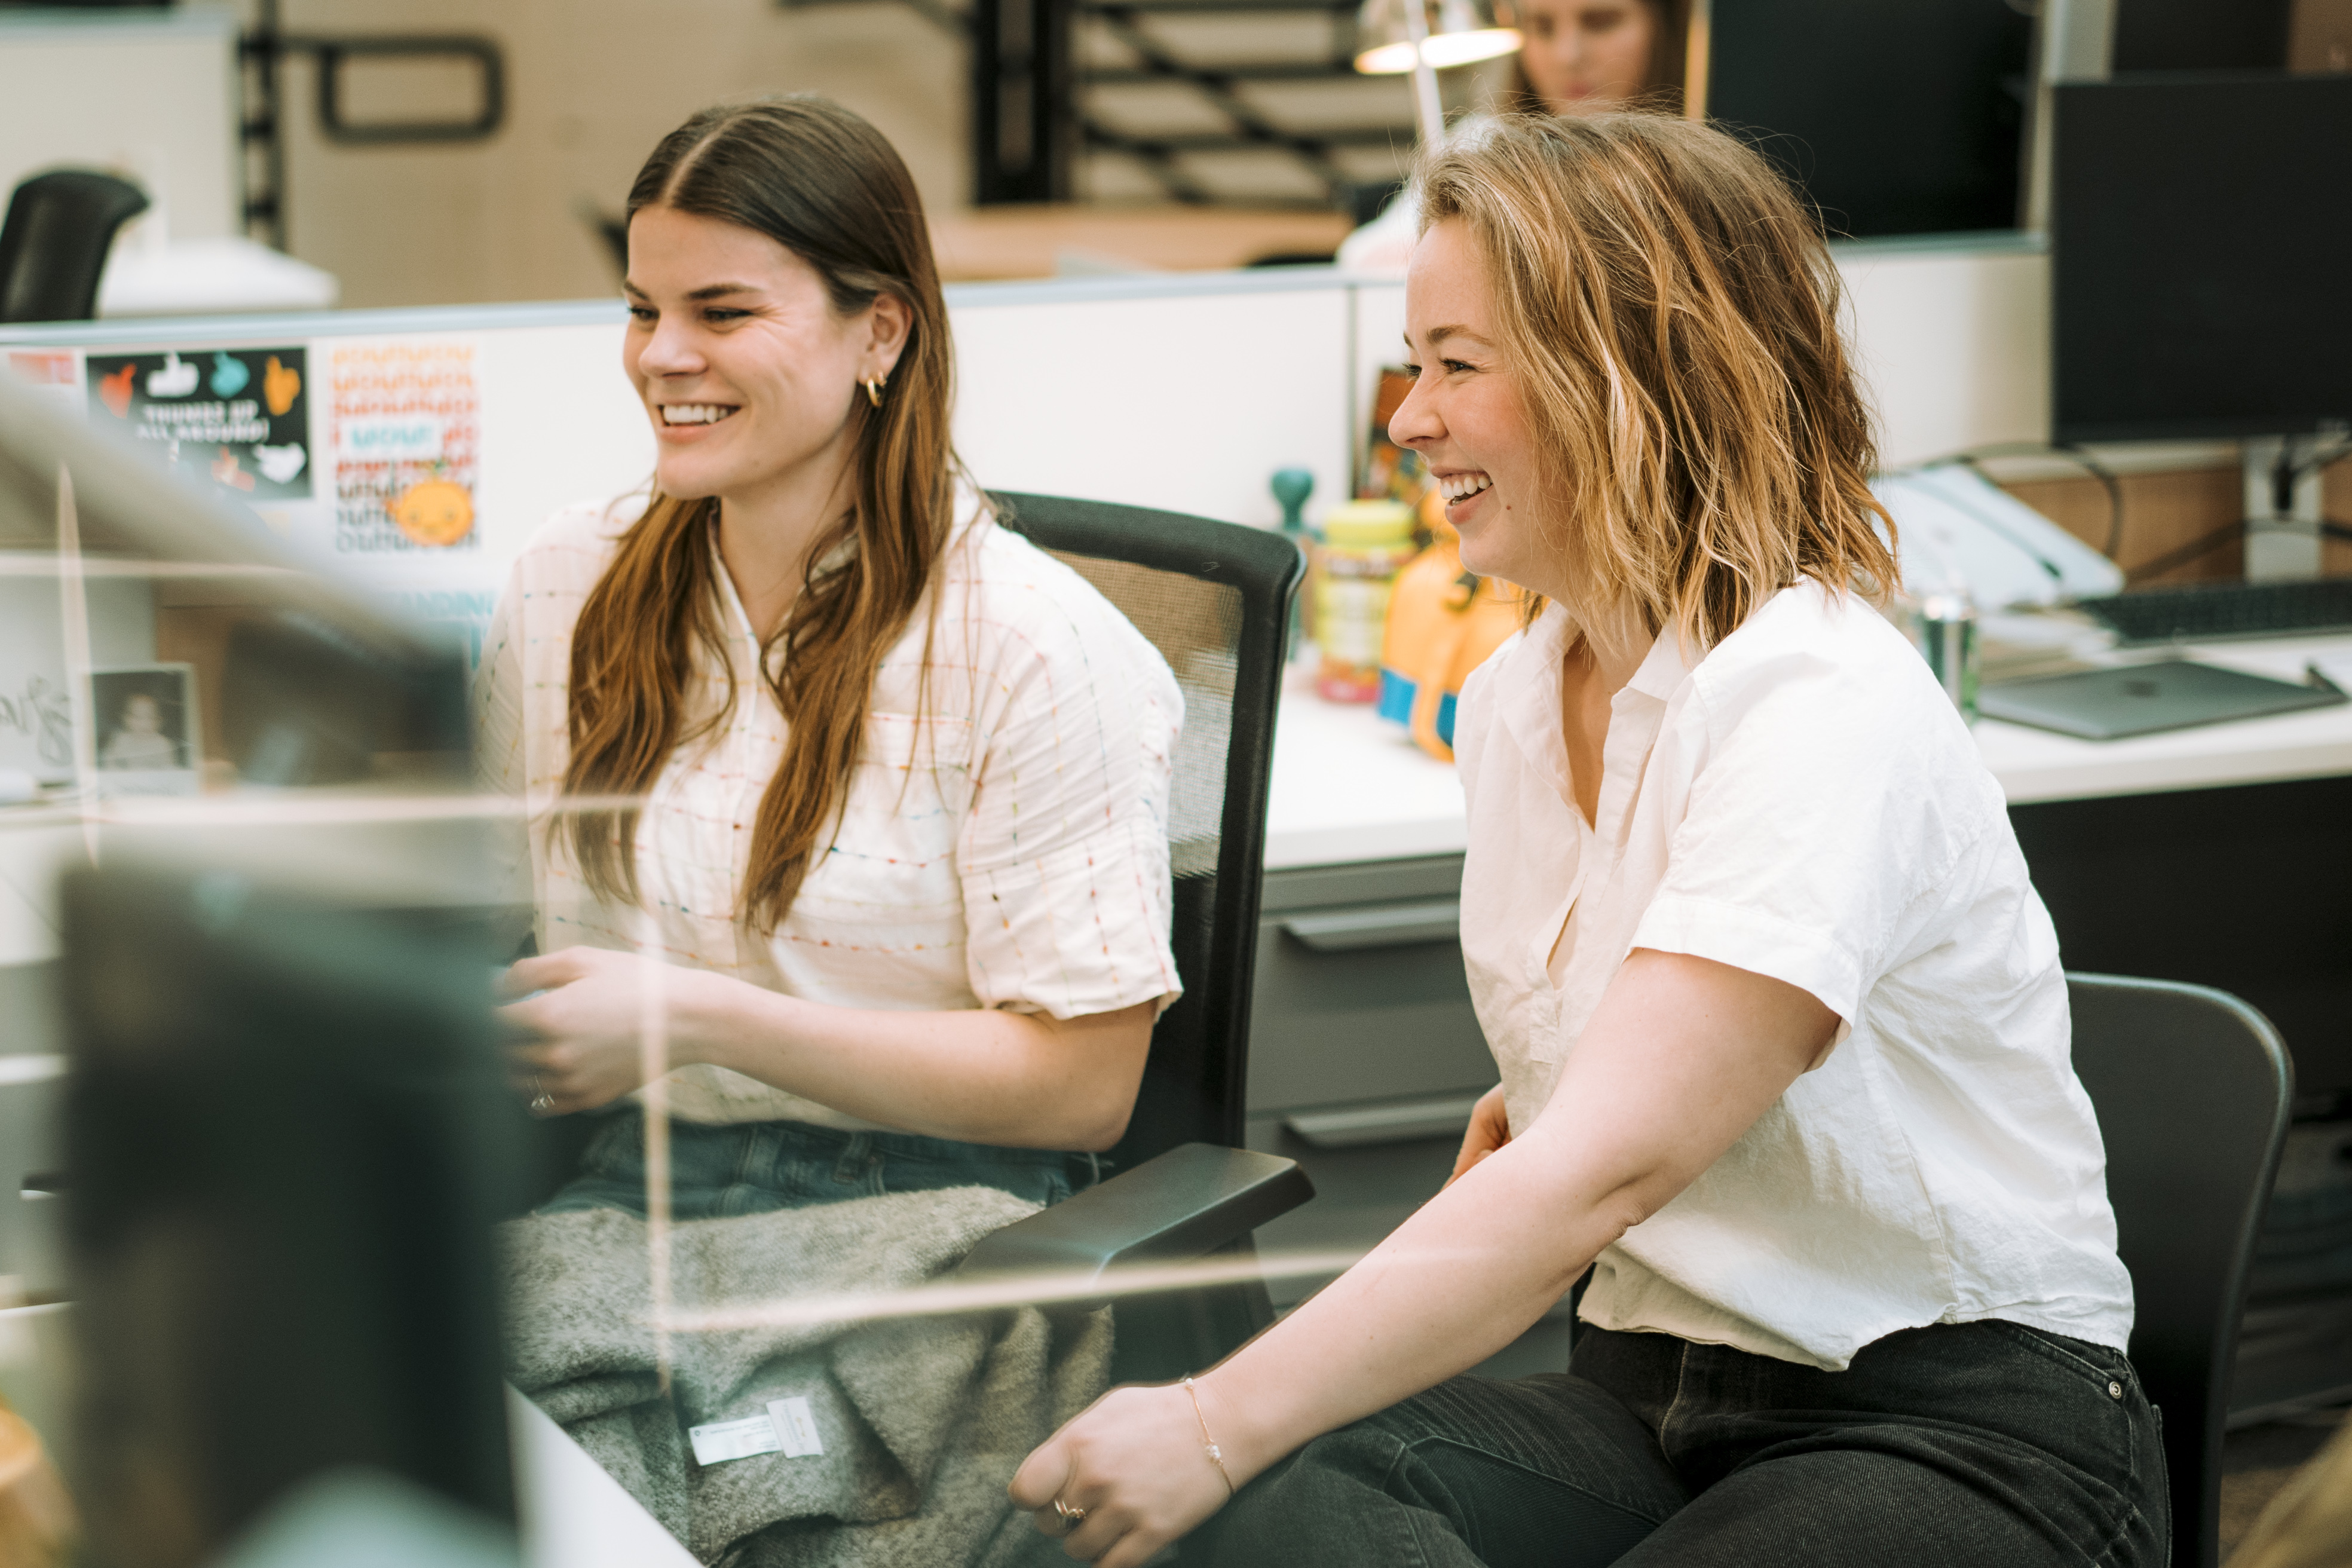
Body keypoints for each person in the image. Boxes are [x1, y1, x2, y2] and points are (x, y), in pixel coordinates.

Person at [1010, 111, 2162, 1568]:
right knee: (1268, 1502)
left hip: (1947, 1422)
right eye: (1414, 364)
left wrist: (1211, 1414)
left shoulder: (1819, 701)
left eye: (1456, 364)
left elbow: (1597, 1173)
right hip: (1647, 1395)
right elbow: (1588, 1129)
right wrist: (1550, 1116)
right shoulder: (1511, 700)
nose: (1406, 420)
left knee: (1233, 1445)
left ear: (1628, 379)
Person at [475, 96, 1183, 1221]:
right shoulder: (566, 579)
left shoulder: (1036, 644)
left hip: (934, 1193)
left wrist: (694, 1019)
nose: (662, 356)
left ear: (880, 333)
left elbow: (1086, 1089)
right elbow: (469, 913)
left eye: (722, 311)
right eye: (643, 309)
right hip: (635, 1178)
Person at [1339, 0, 1682, 269]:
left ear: (1665, 25)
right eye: (1542, 28)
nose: (1568, 55)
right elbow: (1363, 260)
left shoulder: (1698, 163)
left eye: (1601, 23)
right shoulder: (1482, 144)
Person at [99, 690, 179, 770]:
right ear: (126, 719)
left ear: (159, 721)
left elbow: (170, 768)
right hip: (127, 777)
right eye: (138, 717)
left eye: (150, 717)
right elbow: (108, 762)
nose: (144, 722)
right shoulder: (120, 740)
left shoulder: (163, 744)